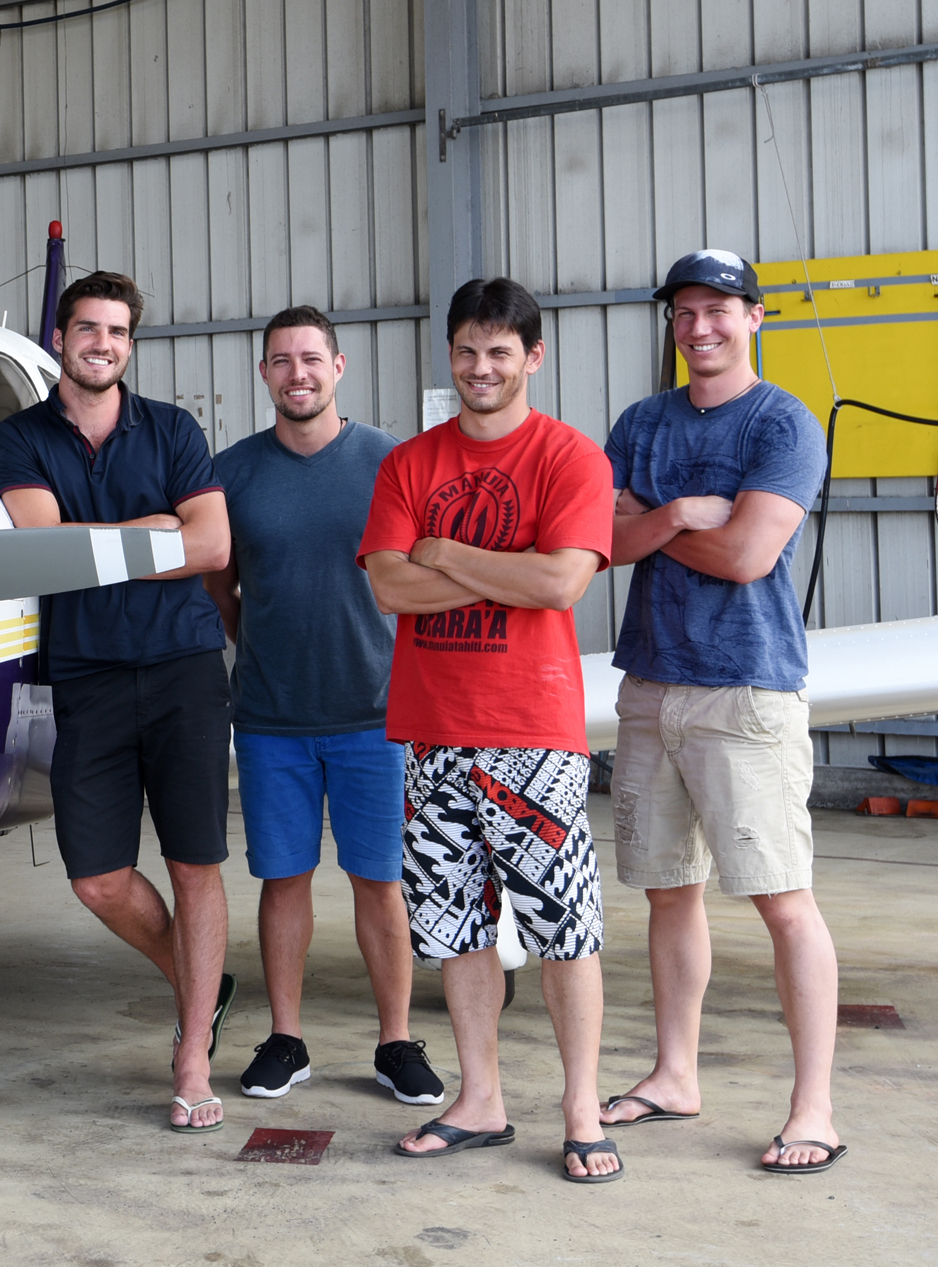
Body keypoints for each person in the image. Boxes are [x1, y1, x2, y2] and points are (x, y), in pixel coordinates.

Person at [358, 278, 622, 1182]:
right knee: (453, 924)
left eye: (500, 352)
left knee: (564, 927)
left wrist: (450, 555)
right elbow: (390, 587)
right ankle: (480, 1098)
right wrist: (512, 566)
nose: (481, 367)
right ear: (451, 355)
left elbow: (560, 585)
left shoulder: (571, 458)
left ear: (532, 357)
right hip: (433, 735)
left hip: (533, 734)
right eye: (468, 350)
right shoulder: (408, 465)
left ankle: (582, 1111)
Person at [597, 250, 844, 1175]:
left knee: (783, 898)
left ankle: (813, 1106)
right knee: (669, 890)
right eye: (684, 312)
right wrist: (675, 517)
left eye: (717, 310)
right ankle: (673, 1073)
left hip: (746, 686)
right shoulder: (642, 421)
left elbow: (746, 555)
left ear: (755, 317)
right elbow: (602, 542)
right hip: (652, 681)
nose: (699, 327)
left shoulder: (783, 422)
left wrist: (658, 521)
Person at [0, 271, 237, 1133]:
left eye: (118, 331)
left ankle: (192, 1050)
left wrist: (142, 536)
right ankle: (199, 986)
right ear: (61, 338)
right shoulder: (19, 437)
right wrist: (152, 529)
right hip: (87, 671)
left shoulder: (172, 428)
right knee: (96, 877)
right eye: (88, 327)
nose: (102, 343)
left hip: (184, 667)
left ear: (131, 344)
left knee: (195, 861)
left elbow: (211, 543)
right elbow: (40, 553)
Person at [205, 307, 442, 1106]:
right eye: (281, 360)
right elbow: (222, 584)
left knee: (380, 881)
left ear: (338, 367)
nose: (297, 373)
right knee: (285, 878)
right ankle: (286, 1036)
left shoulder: (393, 460)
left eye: (311, 358)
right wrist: (262, 642)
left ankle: (395, 1040)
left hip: (376, 715)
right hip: (272, 718)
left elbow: (423, 570)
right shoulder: (232, 471)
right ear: (264, 373)